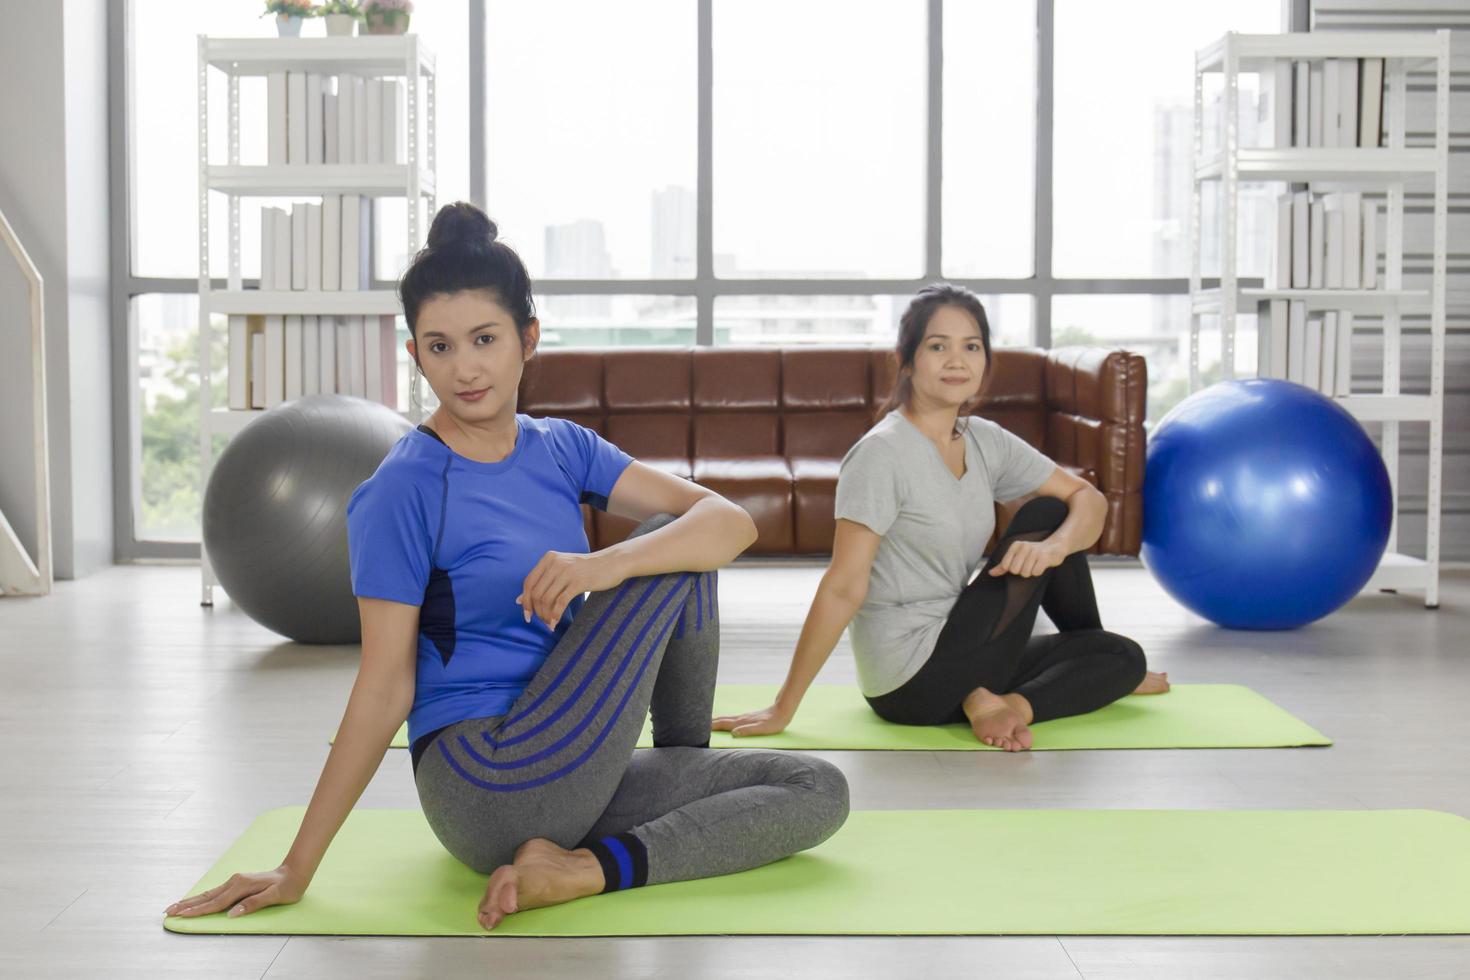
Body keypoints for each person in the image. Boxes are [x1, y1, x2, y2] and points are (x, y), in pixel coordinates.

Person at [165, 202, 848, 931]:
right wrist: (296, 865)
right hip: (484, 779)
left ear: (529, 338)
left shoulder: (561, 447)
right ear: (416, 355)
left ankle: (585, 868)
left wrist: (603, 565)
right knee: (669, 546)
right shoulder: (404, 488)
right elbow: (383, 685)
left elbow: (730, 523)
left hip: (582, 761)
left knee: (817, 787)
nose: (464, 368)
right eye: (439, 347)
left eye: (484, 339)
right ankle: (618, 821)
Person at [714, 283, 1167, 753]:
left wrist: (1054, 548)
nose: (957, 360)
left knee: (1123, 655)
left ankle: (1006, 702)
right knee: (1048, 513)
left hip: (968, 643)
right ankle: (1007, 689)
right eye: (938, 346)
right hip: (909, 681)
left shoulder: (984, 440)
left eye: (971, 347)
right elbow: (843, 586)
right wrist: (783, 705)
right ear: (905, 362)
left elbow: (1089, 500)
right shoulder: (880, 455)